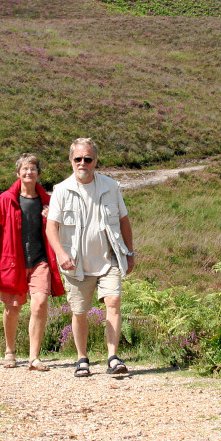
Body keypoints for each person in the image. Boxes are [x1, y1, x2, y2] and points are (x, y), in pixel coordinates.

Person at [46, 138, 136, 377]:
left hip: (110, 259)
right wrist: (61, 255)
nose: (82, 163)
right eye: (78, 159)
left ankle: (113, 357)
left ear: (95, 160)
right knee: (79, 311)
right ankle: (82, 358)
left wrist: (130, 252)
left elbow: (124, 221)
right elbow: (51, 228)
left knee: (113, 303)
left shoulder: (111, 186)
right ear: (71, 160)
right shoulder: (61, 190)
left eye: (87, 159)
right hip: (76, 264)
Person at [0, 154, 64, 370]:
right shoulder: (5, 199)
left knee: (40, 303)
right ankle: (10, 350)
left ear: (38, 173)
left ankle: (33, 357)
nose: (29, 172)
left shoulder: (48, 201)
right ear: (18, 173)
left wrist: (51, 219)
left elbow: (59, 233)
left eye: (33, 169)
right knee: (12, 308)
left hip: (40, 261)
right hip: (12, 263)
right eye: (25, 169)